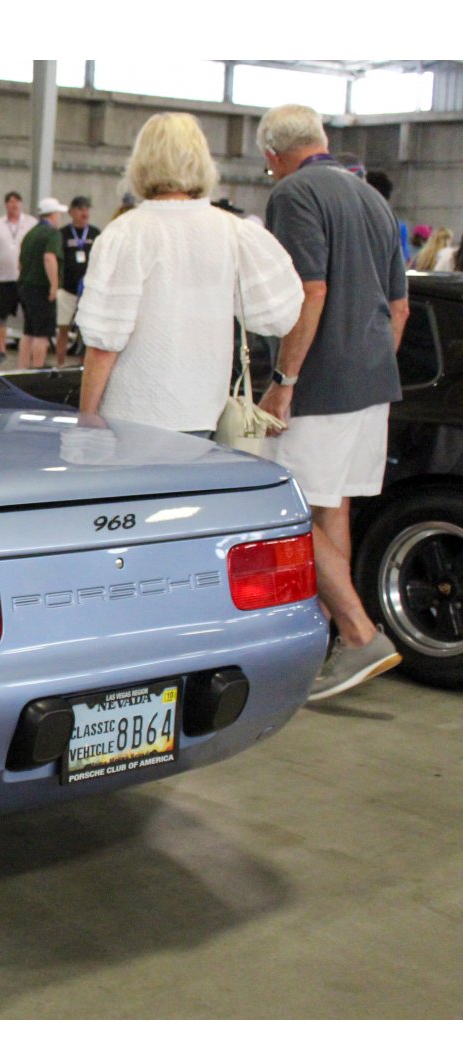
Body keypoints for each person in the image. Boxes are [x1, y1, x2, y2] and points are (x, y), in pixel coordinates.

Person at [255, 103, 409, 701]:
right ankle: (334, 643)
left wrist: (284, 378)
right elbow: (398, 306)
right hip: (373, 381)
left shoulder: (294, 194)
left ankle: (359, 631)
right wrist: (369, 367)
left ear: (273, 155)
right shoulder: (372, 197)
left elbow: (310, 288)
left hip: (321, 382)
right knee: (330, 505)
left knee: (287, 501)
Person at [76, 112, 302, 438]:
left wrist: (87, 413)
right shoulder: (233, 231)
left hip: (133, 415)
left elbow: (104, 341)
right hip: (203, 414)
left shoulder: (126, 233)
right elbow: (280, 315)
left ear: (141, 162)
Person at [0, 191, 36, 365]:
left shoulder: (31, 223)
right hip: (5, 277)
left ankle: (29, 351)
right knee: (2, 315)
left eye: (17, 201)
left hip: (26, 278)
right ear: (6, 205)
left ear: (21, 204)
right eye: (11, 202)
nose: (14, 205)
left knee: (29, 315)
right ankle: (2, 349)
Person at [16, 197, 68, 370]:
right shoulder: (52, 234)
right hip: (41, 287)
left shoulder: (30, 233)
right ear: (52, 215)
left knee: (28, 331)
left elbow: (20, 263)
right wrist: (54, 285)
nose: (59, 217)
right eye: (58, 214)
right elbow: (49, 257)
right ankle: (37, 368)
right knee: (42, 333)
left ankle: (22, 368)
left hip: (25, 285)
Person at [56, 195, 100, 365]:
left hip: (88, 290)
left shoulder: (95, 233)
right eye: (80, 209)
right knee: (63, 327)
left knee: (86, 330)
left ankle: (84, 365)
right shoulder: (63, 233)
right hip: (67, 288)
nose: (84, 213)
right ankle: (60, 364)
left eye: (87, 209)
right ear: (72, 212)